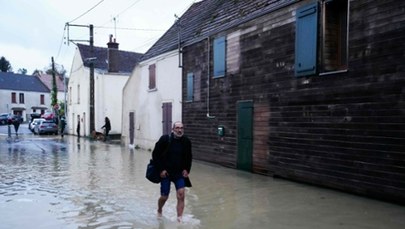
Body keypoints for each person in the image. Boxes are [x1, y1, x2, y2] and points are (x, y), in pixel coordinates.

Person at [152, 121, 192, 223]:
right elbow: (155, 155)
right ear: (173, 129)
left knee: (181, 194)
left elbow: (189, 157)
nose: (179, 130)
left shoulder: (186, 141)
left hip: (179, 173)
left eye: (181, 128)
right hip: (166, 173)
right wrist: (161, 170)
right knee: (164, 196)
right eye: (177, 128)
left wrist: (187, 169)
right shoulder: (165, 139)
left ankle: (179, 218)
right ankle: (160, 209)